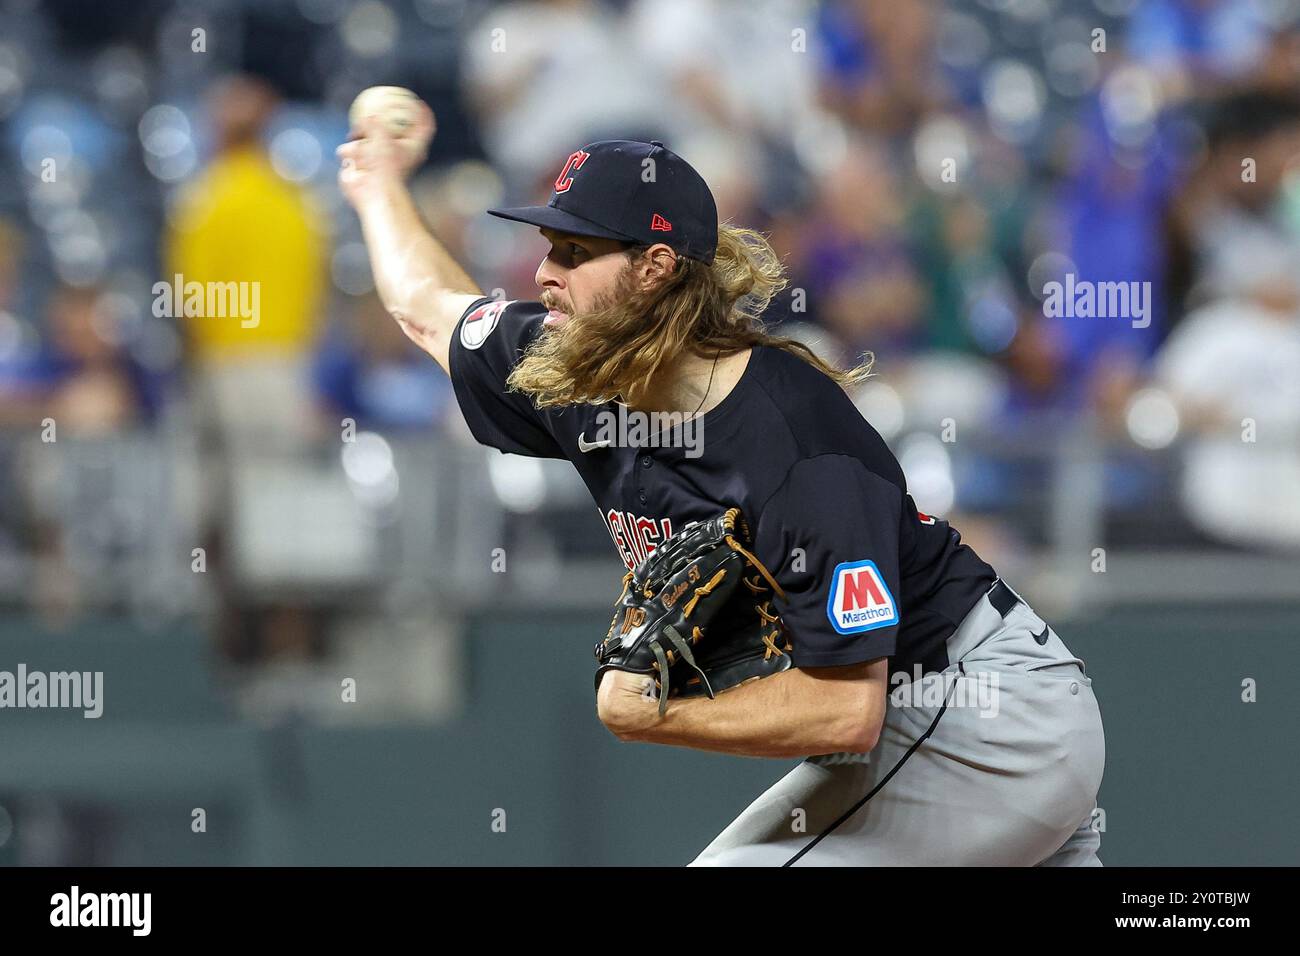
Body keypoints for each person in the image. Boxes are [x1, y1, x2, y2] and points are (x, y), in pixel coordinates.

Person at [337, 107, 1105, 866]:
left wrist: (652, 710)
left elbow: (848, 711)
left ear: (653, 269)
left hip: (979, 712)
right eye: (547, 247)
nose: (544, 274)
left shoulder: (800, 448)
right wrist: (377, 185)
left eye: (574, 251)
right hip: (943, 726)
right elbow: (426, 311)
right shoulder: (576, 369)